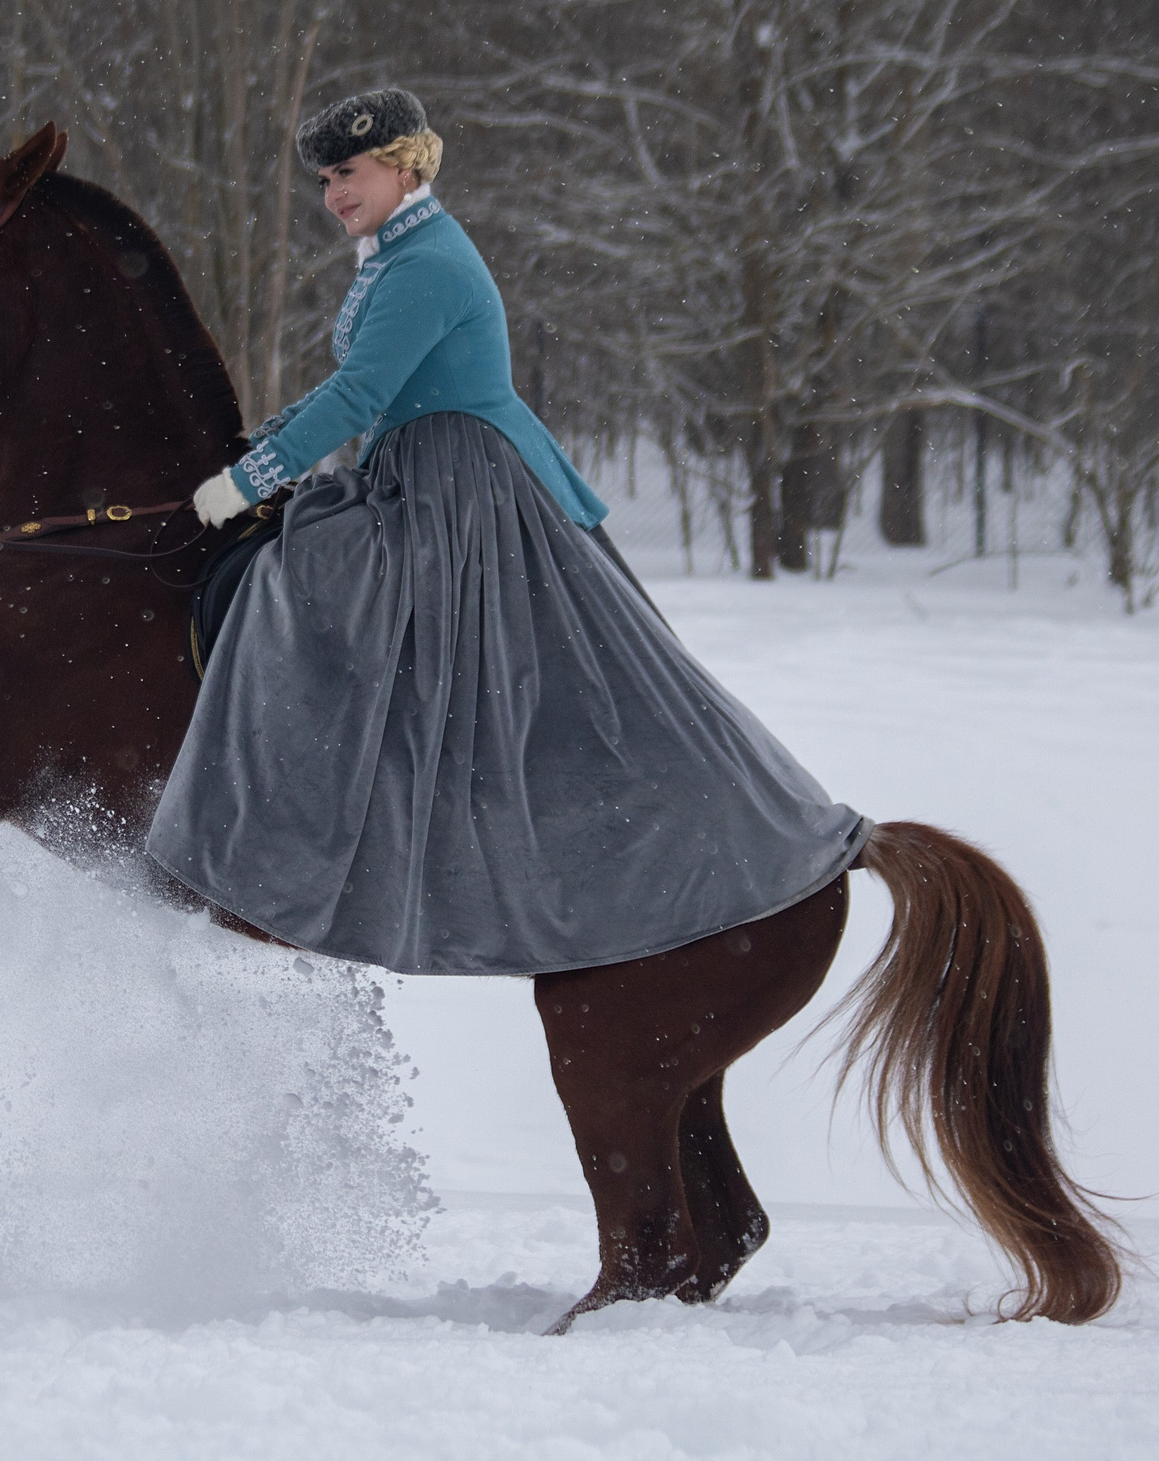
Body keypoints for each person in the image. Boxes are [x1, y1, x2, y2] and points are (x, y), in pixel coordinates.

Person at [148, 88, 865, 976]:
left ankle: (307, 824)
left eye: (350, 172)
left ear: (406, 165)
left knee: (304, 579)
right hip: (419, 467)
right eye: (327, 177)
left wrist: (251, 479)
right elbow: (355, 387)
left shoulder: (428, 265)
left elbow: (360, 396)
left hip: (460, 488)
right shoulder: (398, 252)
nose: (335, 192)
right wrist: (254, 446)